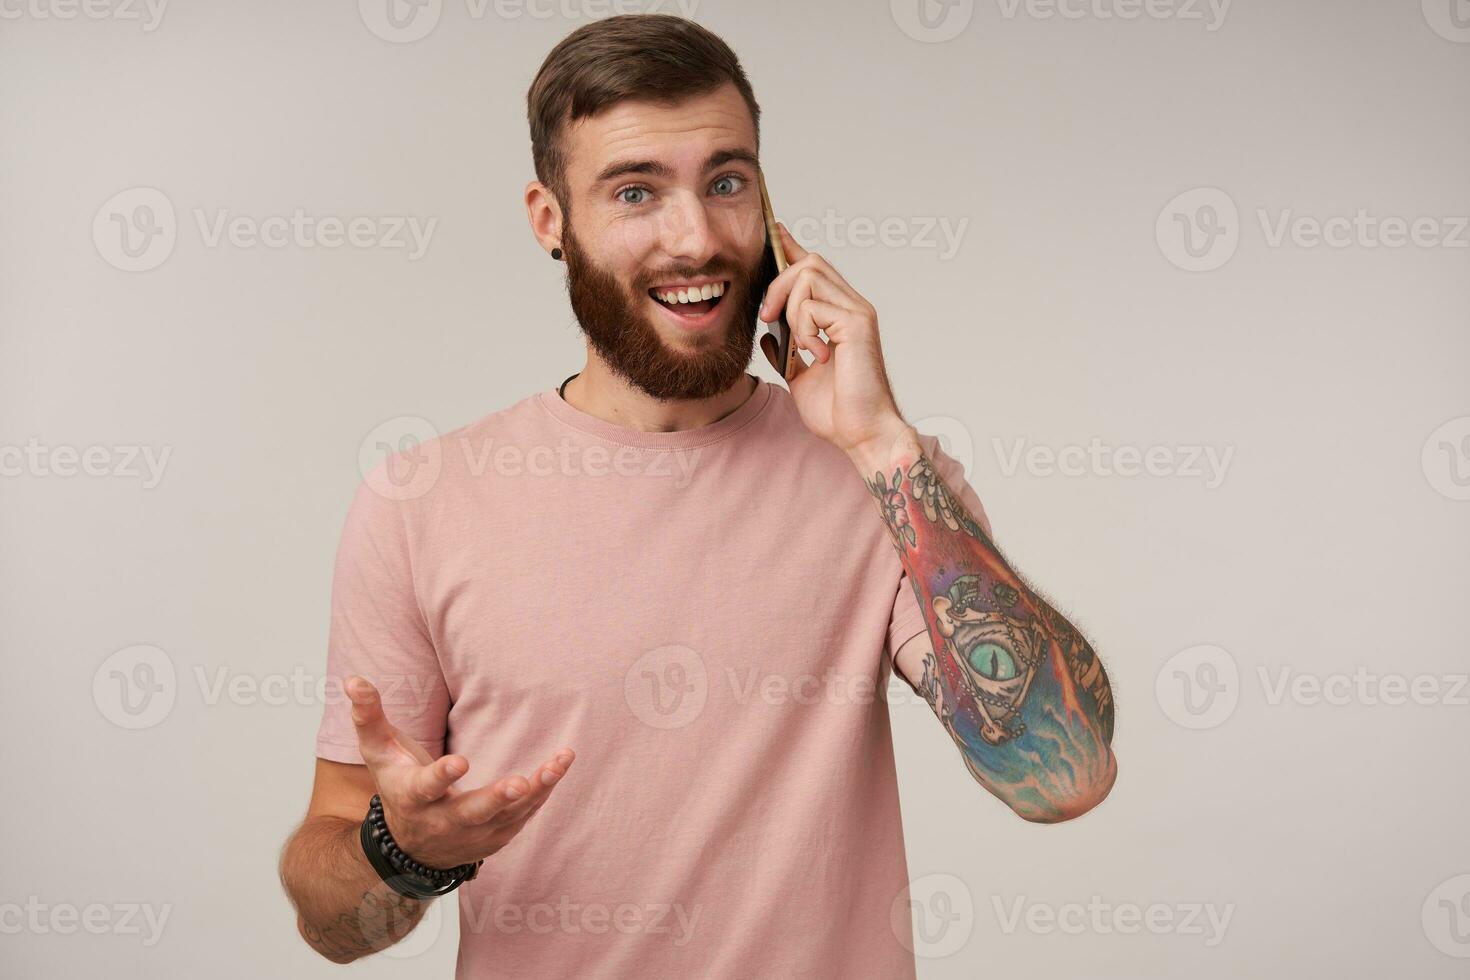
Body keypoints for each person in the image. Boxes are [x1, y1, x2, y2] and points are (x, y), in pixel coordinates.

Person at [278, 13, 1116, 977]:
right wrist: (404, 854)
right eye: (636, 192)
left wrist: (883, 446)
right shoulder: (422, 502)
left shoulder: (883, 479)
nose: (699, 237)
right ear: (549, 220)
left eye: (727, 181)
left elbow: (1066, 779)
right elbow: (331, 926)